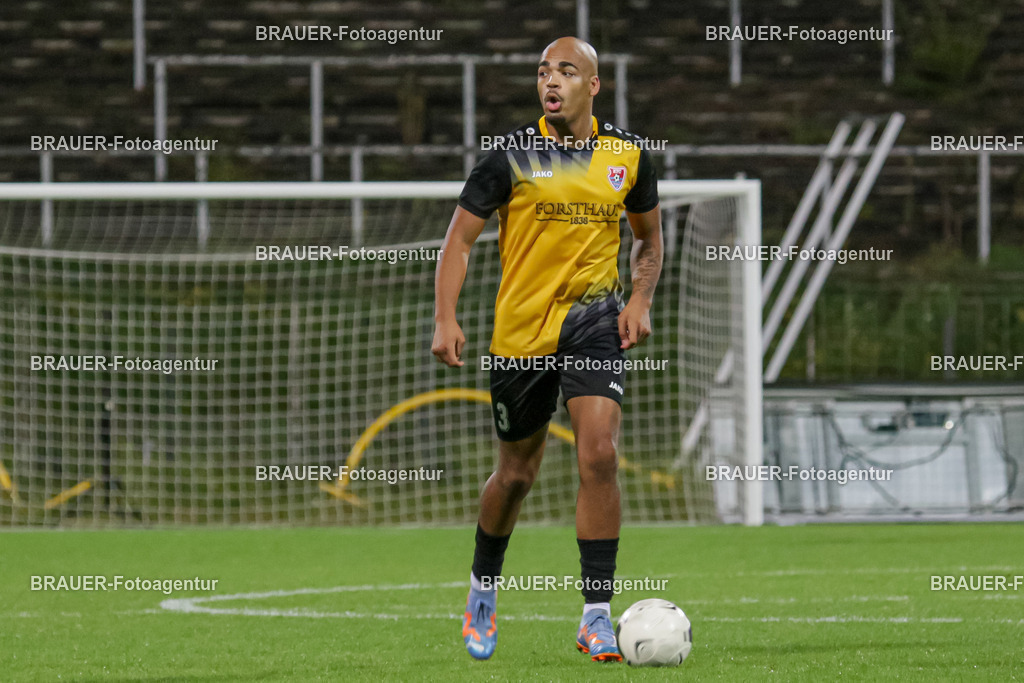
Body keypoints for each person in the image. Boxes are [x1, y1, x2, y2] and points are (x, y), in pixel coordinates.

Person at [431, 36, 663, 663]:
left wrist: (640, 301)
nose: (550, 81)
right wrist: (446, 317)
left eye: (566, 71)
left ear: (594, 84)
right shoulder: (508, 156)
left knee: (600, 454)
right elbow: (458, 242)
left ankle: (596, 617)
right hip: (521, 334)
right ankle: (483, 592)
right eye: (542, 72)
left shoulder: (628, 156)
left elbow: (648, 239)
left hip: (594, 323)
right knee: (516, 475)